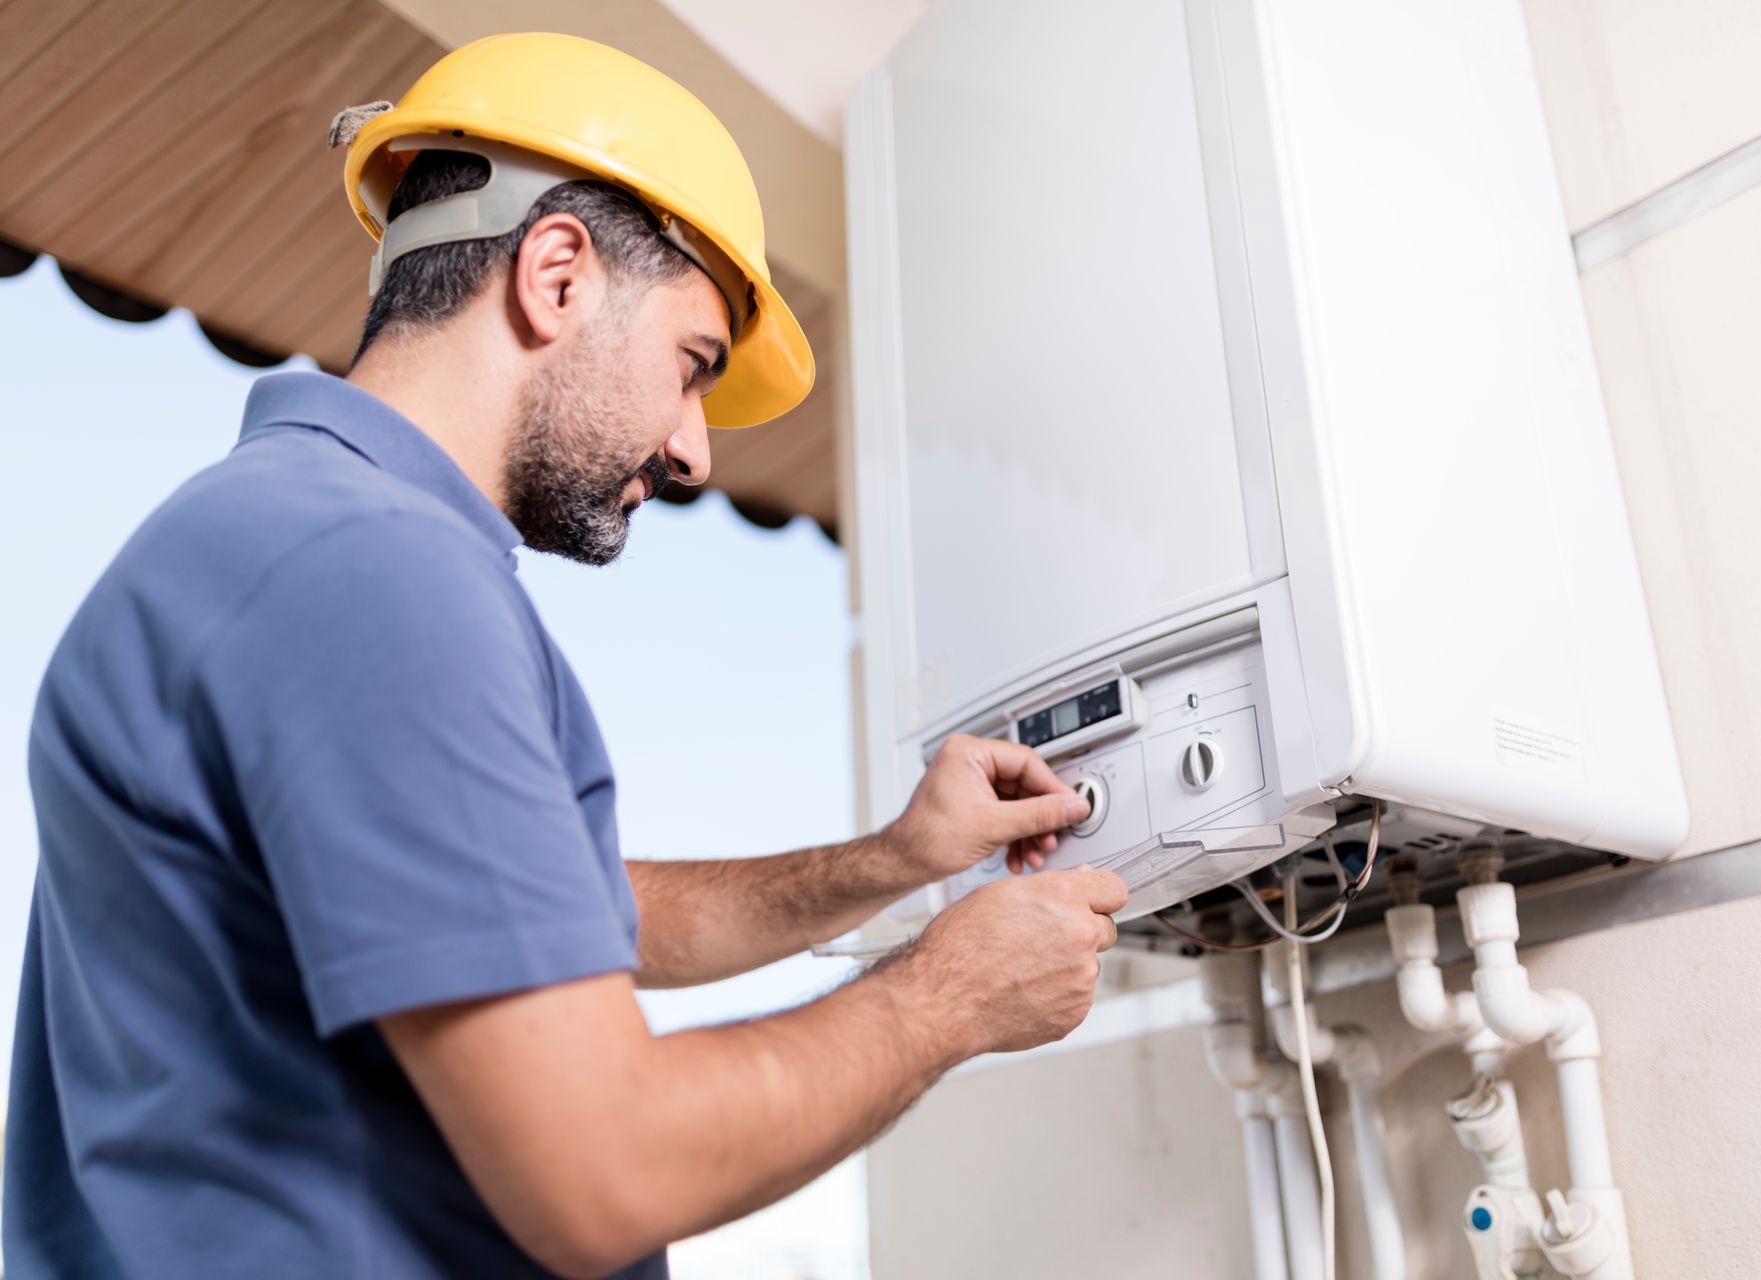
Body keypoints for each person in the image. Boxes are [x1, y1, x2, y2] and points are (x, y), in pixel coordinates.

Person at [3, 32, 1128, 1280]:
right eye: (693, 365)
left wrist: (895, 861)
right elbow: (605, 1168)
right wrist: (950, 996)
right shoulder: (369, 573)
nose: (697, 452)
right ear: (554, 273)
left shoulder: (289, 543)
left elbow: (544, 905)